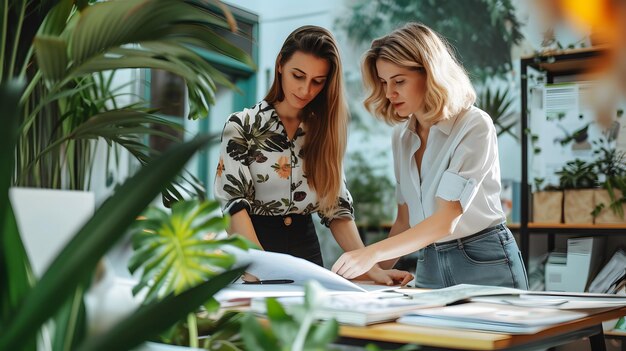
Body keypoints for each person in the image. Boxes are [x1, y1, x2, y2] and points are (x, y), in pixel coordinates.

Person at [332, 23, 529, 289]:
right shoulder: (401, 138)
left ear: (430, 74)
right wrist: (373, 271)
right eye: (384, 82)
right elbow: (404, 221)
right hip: (430, 260)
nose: (390, 93)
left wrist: (371, 254)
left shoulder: (474, 125)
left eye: (399, 81)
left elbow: (445, 220)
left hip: (484, 259)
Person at [214, 25, 413, 285]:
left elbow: (336, 207)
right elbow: (233, 205)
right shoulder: (242, 126)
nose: (306, 90)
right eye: (298, 76)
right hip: (256, 251)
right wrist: (259, 267)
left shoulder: (322, 131)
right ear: (280, 66)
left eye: (317, 82)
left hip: (307, 254)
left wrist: (371, 267)